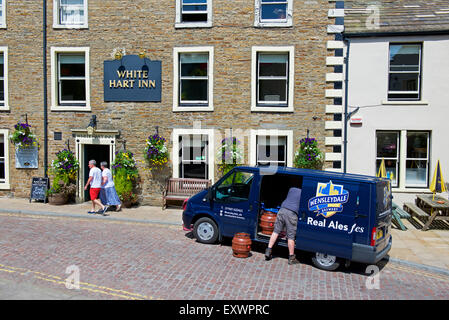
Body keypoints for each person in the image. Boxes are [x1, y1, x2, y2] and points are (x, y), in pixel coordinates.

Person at [265, 187, 302, 265]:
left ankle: (268, 250)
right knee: (291, 236)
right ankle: (291, 258)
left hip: (282, 209)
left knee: (276, 231)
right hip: (292, 213)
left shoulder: (291, 189)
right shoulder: (303, 192)